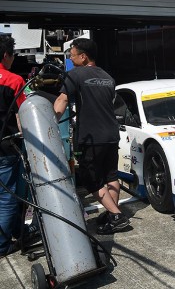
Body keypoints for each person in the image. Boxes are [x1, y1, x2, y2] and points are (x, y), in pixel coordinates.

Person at [53, 38, 129, 235]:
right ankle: (112, 213)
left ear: (83, 57)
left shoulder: (75, 75)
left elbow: (62, 99)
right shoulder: (108, 77)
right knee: (111, 175)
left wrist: (50, 123)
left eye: (72, 55)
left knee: (90, 178)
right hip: (111, 134)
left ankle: (116, 216)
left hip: (91, 136)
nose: (70, 58)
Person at [0, 35, 26, 257]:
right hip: (6, 148)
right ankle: (2, 245)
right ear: (5, 55)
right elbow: (24, 115)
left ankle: (17, 230)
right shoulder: (13, 80)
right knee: (8, 196)